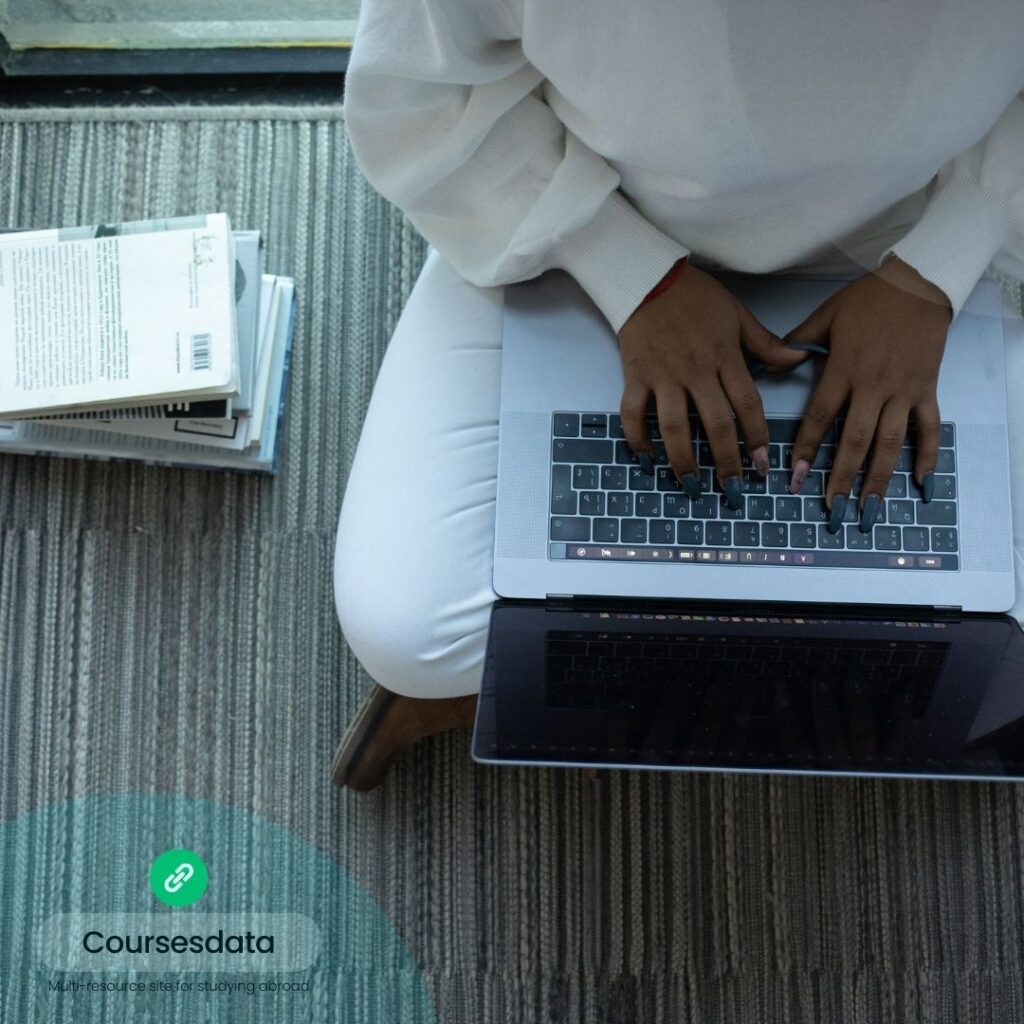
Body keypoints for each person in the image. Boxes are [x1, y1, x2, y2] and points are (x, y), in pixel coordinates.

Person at [332, 0, 1024, 790]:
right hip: (588, 219)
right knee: (405, 631)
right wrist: (627, 269)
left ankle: (665, 666)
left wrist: (939, 265)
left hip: (920, 234)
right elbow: (417, 95)